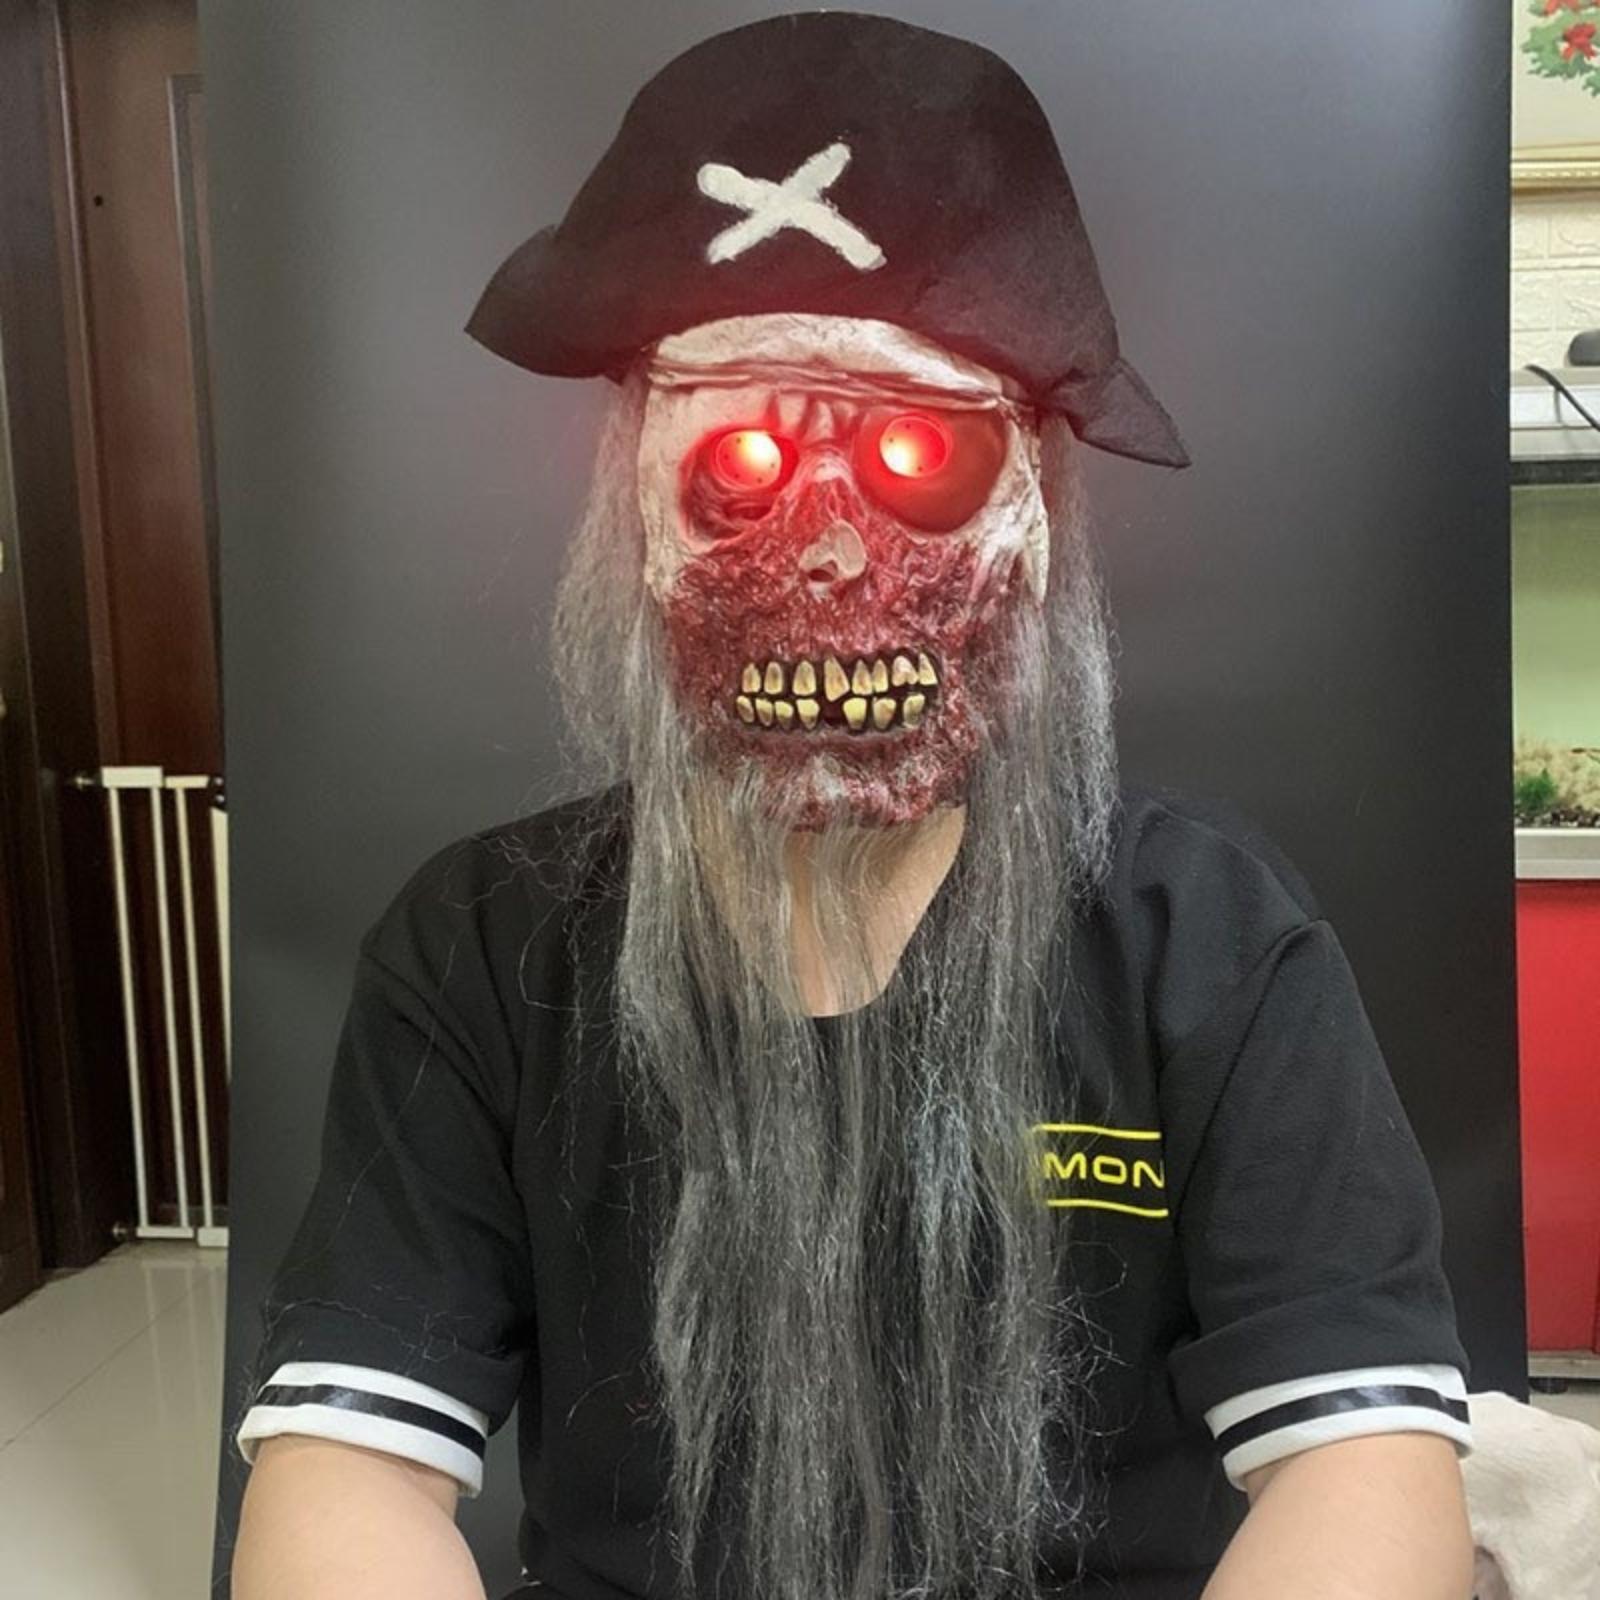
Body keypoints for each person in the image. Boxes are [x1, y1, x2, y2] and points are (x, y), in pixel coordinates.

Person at [230, 14, 1477, 1600]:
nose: (829, 557)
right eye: (739, 468)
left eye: (919, 461)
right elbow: (348, 1470)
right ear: (629, 516)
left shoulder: (1207, 939)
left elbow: (1365, 1466)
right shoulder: (482, 947)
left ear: (1039, 520)